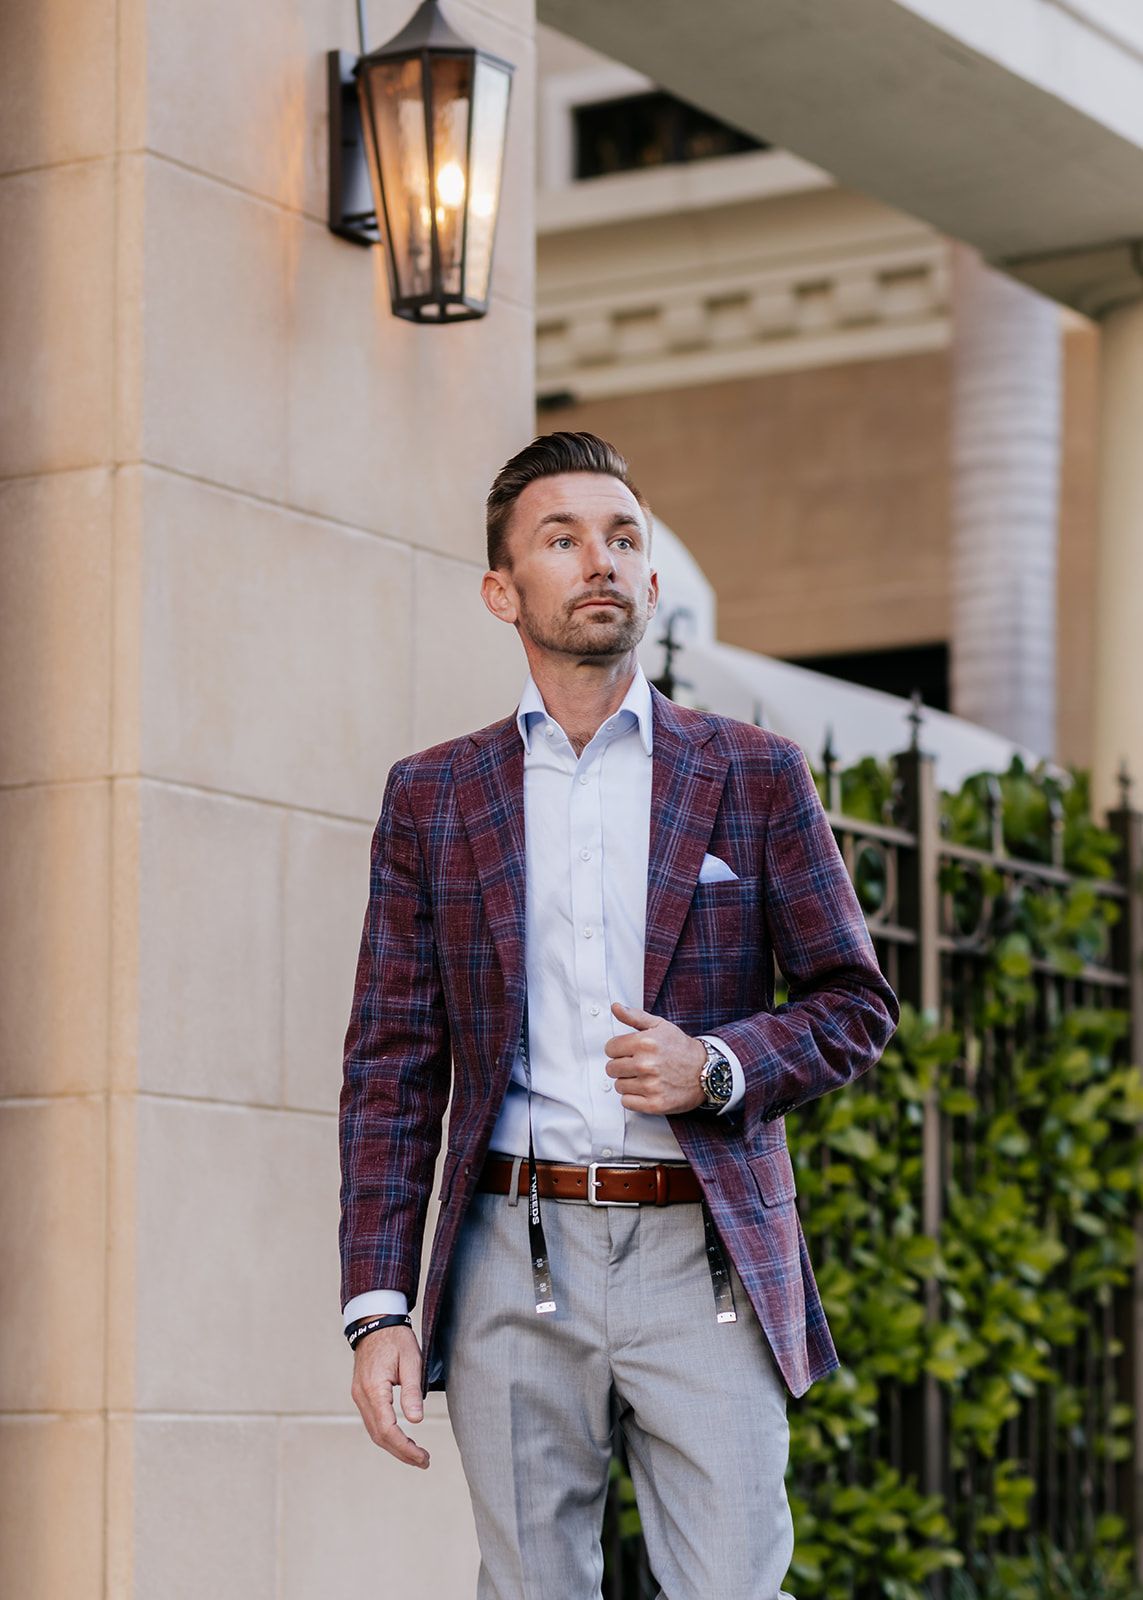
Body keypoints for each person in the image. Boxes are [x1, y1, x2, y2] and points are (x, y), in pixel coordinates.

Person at [338, 430, 900, 1599]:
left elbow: (856, 1003)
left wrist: (719, 1065)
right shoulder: (434, 796)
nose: (600, 558)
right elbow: (394, 1061)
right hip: (509, 1247)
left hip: (702, 1254)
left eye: (623, 537)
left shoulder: (753, 772)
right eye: (563, 538)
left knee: (734, 1583)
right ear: (504, 589)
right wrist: (379, 1306)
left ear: (648, 579)